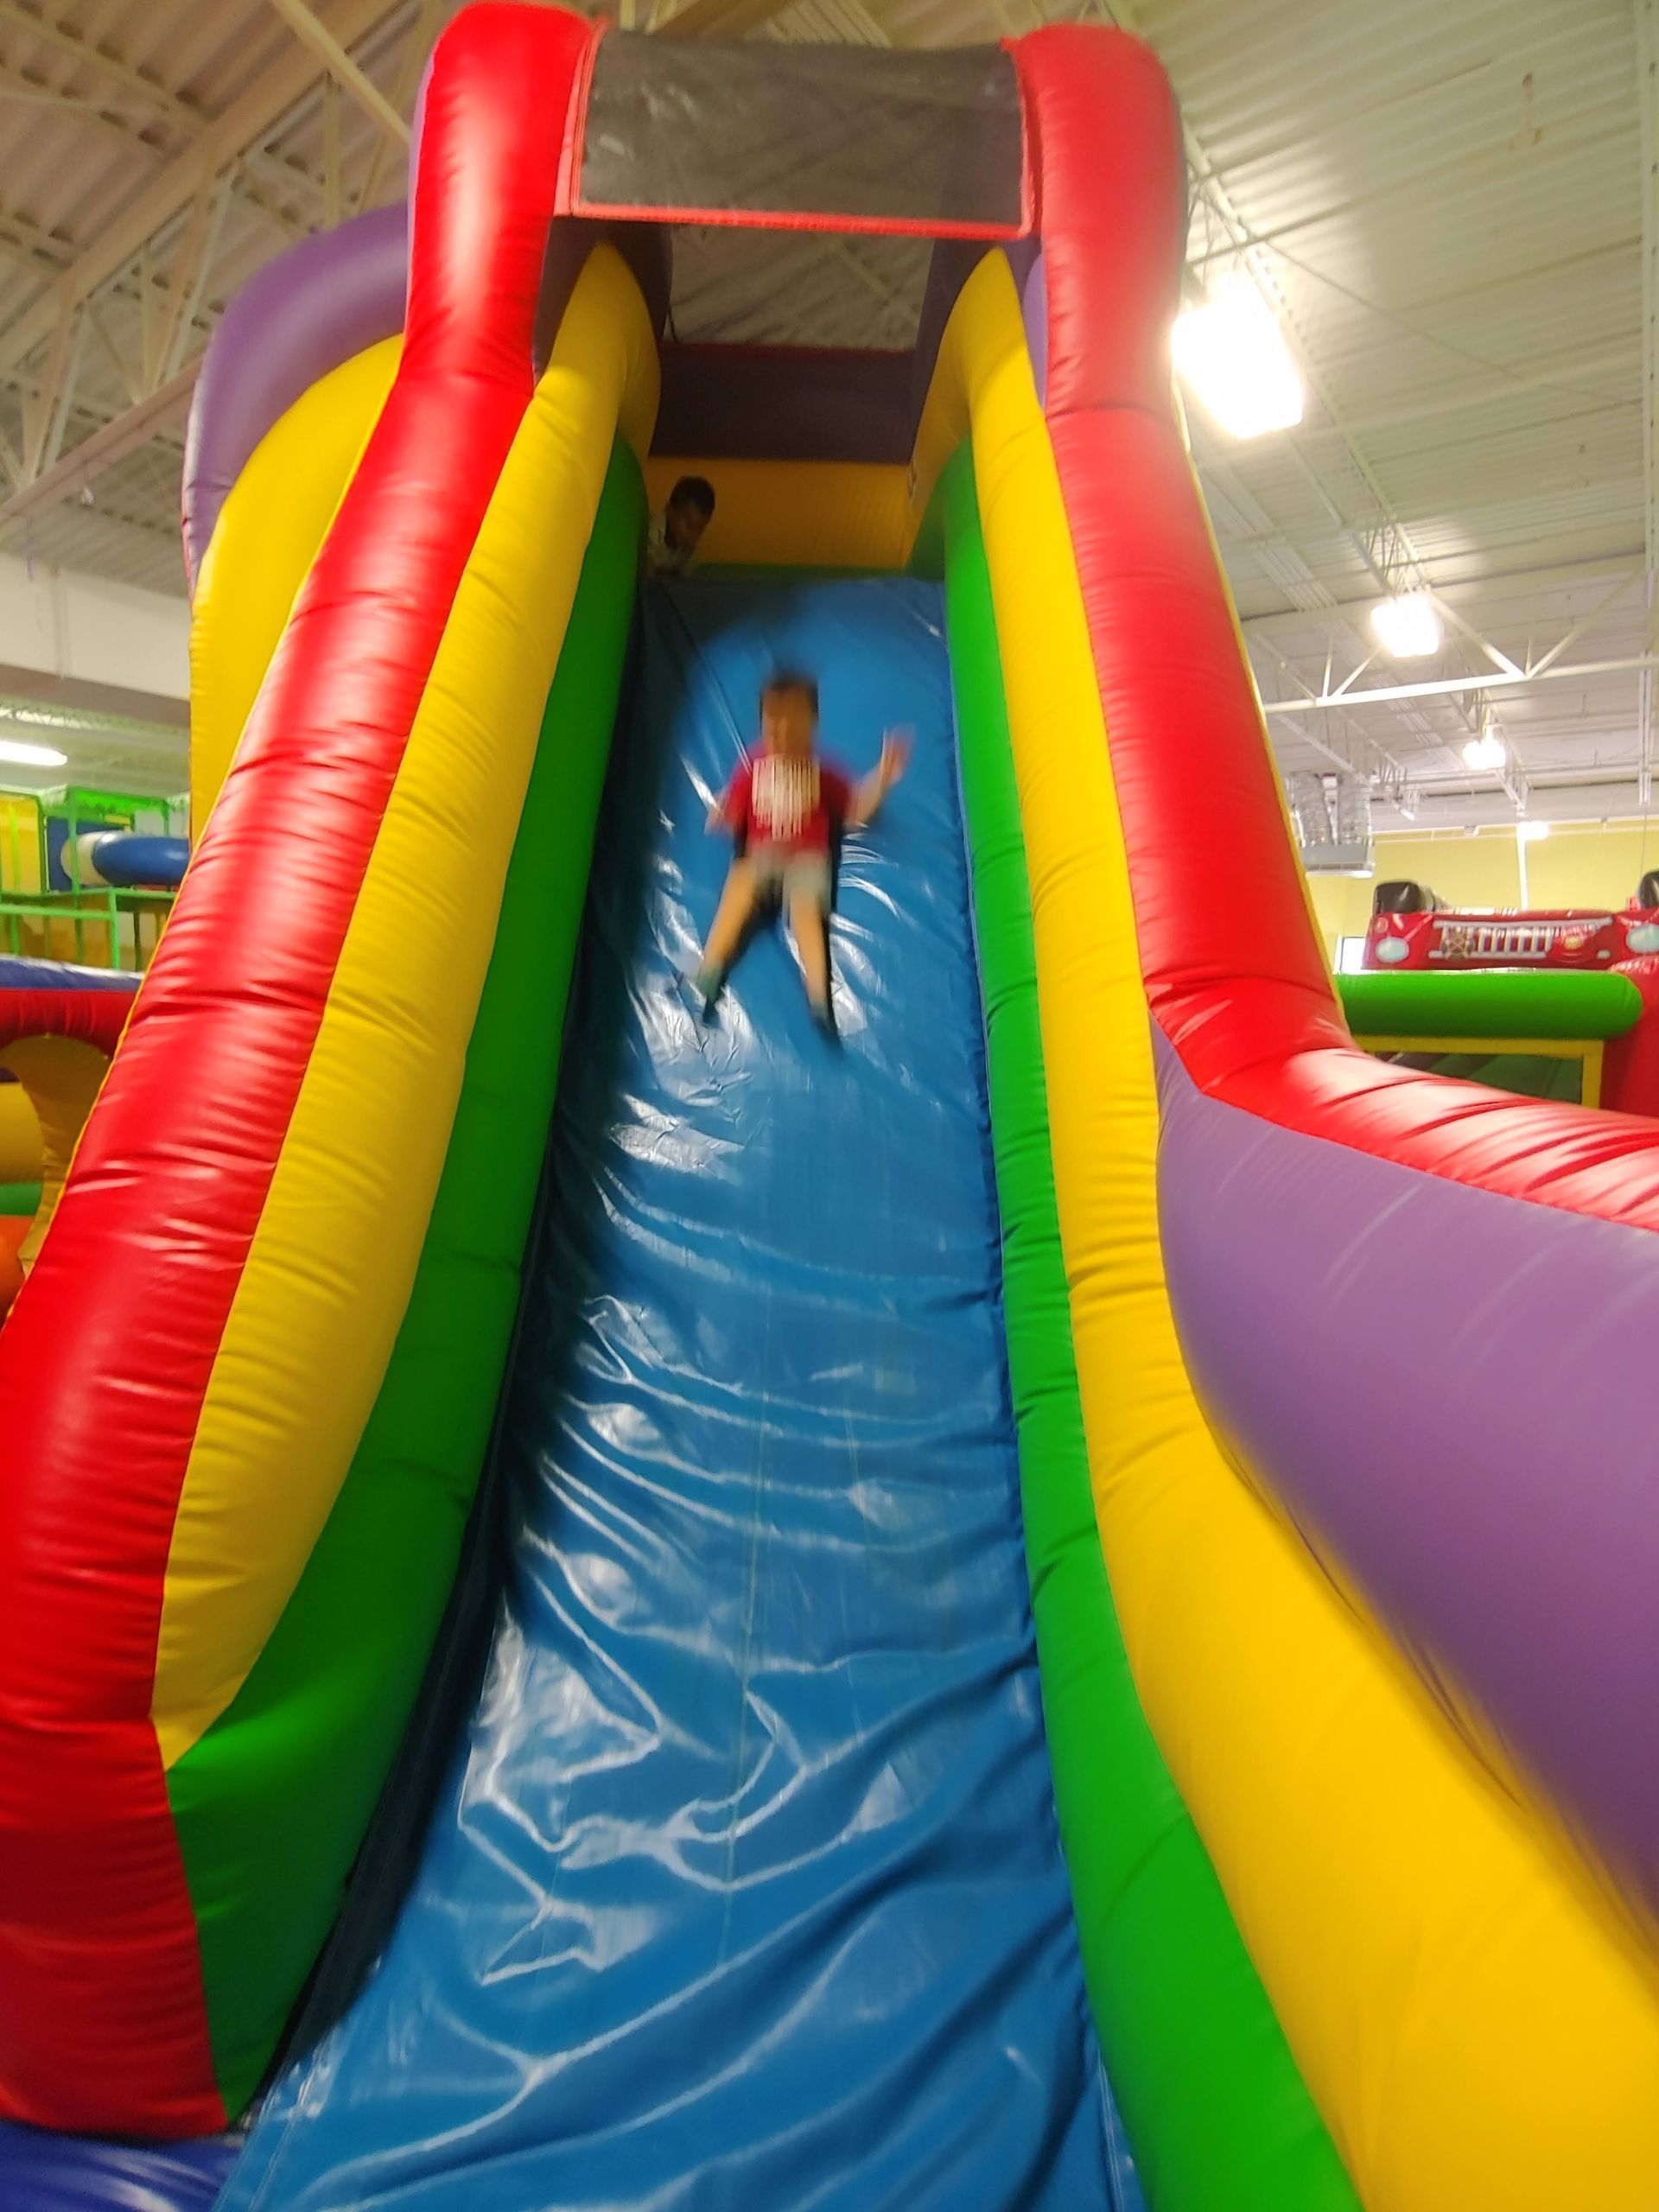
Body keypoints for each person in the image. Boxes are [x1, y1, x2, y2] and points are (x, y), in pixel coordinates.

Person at [690, 669, 909, 1037]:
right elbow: (735, 813)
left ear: (813, 723)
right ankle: (710, 968)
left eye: (792, 725)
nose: (781, 735)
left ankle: (818, 994)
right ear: (761, 724)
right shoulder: (752, 770)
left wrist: (882, 777)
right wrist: (722, 814)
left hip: (807, 860)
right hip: (761, 856)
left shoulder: (823, 775)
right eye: (772, 725)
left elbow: (855, 811)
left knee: (808, 916)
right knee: (737, 894)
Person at [646, 475, 715, 577]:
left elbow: (685, 579)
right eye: (688, 525)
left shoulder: (689, 548)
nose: (691, 535)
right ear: (669, 511)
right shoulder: (652, 530)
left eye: (699, 530)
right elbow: (647, 572)